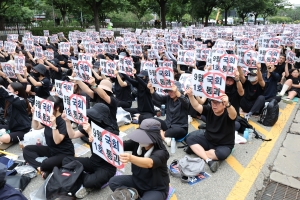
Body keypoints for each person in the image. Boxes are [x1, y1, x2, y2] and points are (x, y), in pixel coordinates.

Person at [62, 103, 119, 198]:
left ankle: (80, 177)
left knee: (88, 182)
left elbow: (104, 148)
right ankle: (79, 176)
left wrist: (89, 132)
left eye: (93, 116)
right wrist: (67, 121)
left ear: (102, 118)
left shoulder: (111, 131)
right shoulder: (92, 125)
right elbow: (73, 135)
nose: (91, 117)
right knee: (66, 160)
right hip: (93, 161)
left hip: (107, 167)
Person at [108, 119, 170, 200]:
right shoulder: (137, 143)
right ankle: (134, 194)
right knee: (113, 182)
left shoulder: (162, 152)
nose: (140, 138)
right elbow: (119, 144)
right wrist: (95, 137)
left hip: (155, 188)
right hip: (137, 181)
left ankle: (135, 196)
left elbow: (149, 163)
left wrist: (130, 158)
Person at [185, 89, 236, 173]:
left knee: (221, 154)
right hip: (208, 139)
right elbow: (196, 106)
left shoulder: (228, 114)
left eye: (217, 103)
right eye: (213, 102)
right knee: (189, 138)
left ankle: (198, 151)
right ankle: (208, 159)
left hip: (223, 144)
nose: (214, 105)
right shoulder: (209, 110)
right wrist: (190, 96)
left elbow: (234, 114)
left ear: (224, 105)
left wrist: (228, 104)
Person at [23, 96, 74, 178]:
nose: (46, 109)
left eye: (49, 107)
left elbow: (57, 141)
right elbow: (36, 127)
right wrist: (34, 115)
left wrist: (54, 125)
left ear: (57, 108)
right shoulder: (48, 116)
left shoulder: (63, 120)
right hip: (51, 150)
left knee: (46, 163)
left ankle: (44, 167)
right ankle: (41, 168)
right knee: (27, 149)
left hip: (64, 153)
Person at [147, 81, 189, 145]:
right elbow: (158, 98)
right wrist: (152, 89)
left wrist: (177, 92)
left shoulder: (183, 99)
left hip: (180, 127)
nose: (170, 93)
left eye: (172, 91)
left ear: (178, 91)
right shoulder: (168, 98)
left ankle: (161, 133)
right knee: (152, 120)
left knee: (172, 131)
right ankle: (164, 137)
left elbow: (186, 103)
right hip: (167, 124)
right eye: (169, 91)